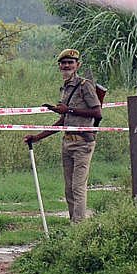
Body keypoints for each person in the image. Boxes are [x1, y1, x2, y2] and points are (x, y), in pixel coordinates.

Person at [23, 48, 102, 223]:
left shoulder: (85, 85)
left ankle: (79, 228)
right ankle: (74, 222)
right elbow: (64, 120)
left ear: (77, 65)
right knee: (68, 189)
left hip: (83, 143)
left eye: (70, 63)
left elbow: (97, 113)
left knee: (78, 187)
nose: (67, 65)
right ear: (59, 66)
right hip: (67, 142)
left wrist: (69, 110)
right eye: (64, 63)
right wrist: (37, 137)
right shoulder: (65, 88)